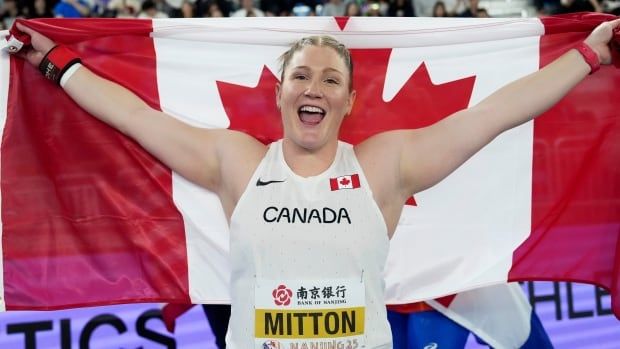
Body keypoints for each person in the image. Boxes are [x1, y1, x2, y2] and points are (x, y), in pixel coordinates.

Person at [11, 18, 620, 348]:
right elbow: (134, 117)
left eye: (331, 80)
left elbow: (492, 115)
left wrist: (588, 57)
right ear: (279, 92)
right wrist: (52, 63)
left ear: (349, 101)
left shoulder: (385, 167)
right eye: (301, 75)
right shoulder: (238, 163)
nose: (314, 88)